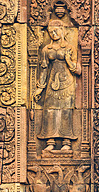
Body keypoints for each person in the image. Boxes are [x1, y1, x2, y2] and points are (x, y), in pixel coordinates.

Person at [34, 20, 80, 151]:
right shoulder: (46, 49)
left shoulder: (69, 48)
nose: (54, 34)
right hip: (52, 82)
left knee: (66, 110)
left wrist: (68, 60)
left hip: (67, 83)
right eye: (51, 32)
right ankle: (50, 142)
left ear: (63, 30)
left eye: (56, 31)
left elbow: (78, 70)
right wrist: (39, 88)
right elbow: (43, 70)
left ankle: (66, 142)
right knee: (50, 110)